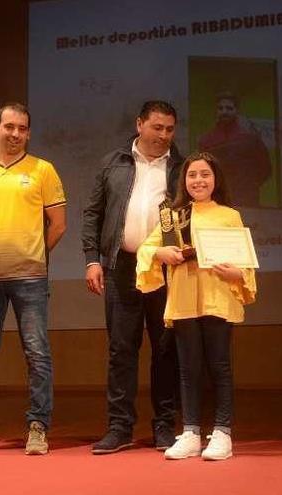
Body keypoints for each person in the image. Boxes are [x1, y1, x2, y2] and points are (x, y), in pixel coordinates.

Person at [0, 103, 67, 456]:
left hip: (30, 278)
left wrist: (32, 254)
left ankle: (37, 427)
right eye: (9, 127)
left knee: (37, 353)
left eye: (22, 128)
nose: (15, 134)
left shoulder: (43, 170)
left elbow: (59, 224)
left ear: (29, 133)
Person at [136, 151, 256, 461]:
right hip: (185, 298)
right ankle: (190, 432)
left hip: (218, 298)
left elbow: (245, 264)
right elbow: (148, 249)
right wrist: (162, 254)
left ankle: (222, 432)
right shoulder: (173, 216)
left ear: (216, 179)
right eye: (192, 175)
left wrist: (237, 273)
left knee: (219, 366)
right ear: (183, 180)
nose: (198, 180)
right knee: (188, 370)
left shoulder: (229, 215)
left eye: (205, 174)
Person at [82, 101, 183, 454]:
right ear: (139, 124)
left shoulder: (181, 166)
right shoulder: (113, 162)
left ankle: (165, 427)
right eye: (157, 128)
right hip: (122, 267)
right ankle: (120, 427)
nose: (164, 136)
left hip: (167, 269)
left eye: (170, 129)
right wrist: (92, 260)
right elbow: (93, 213)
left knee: (166, 349)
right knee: (121, 350)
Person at [197, 92, 271, 207]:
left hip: (246, 199)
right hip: (216, 199)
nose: (224, 112)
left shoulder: (250, 138)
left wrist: (249, 185)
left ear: (236, 111)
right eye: (220, 108)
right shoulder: (206, 141)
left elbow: (265, 168)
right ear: (216, 111)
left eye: (229, 108)